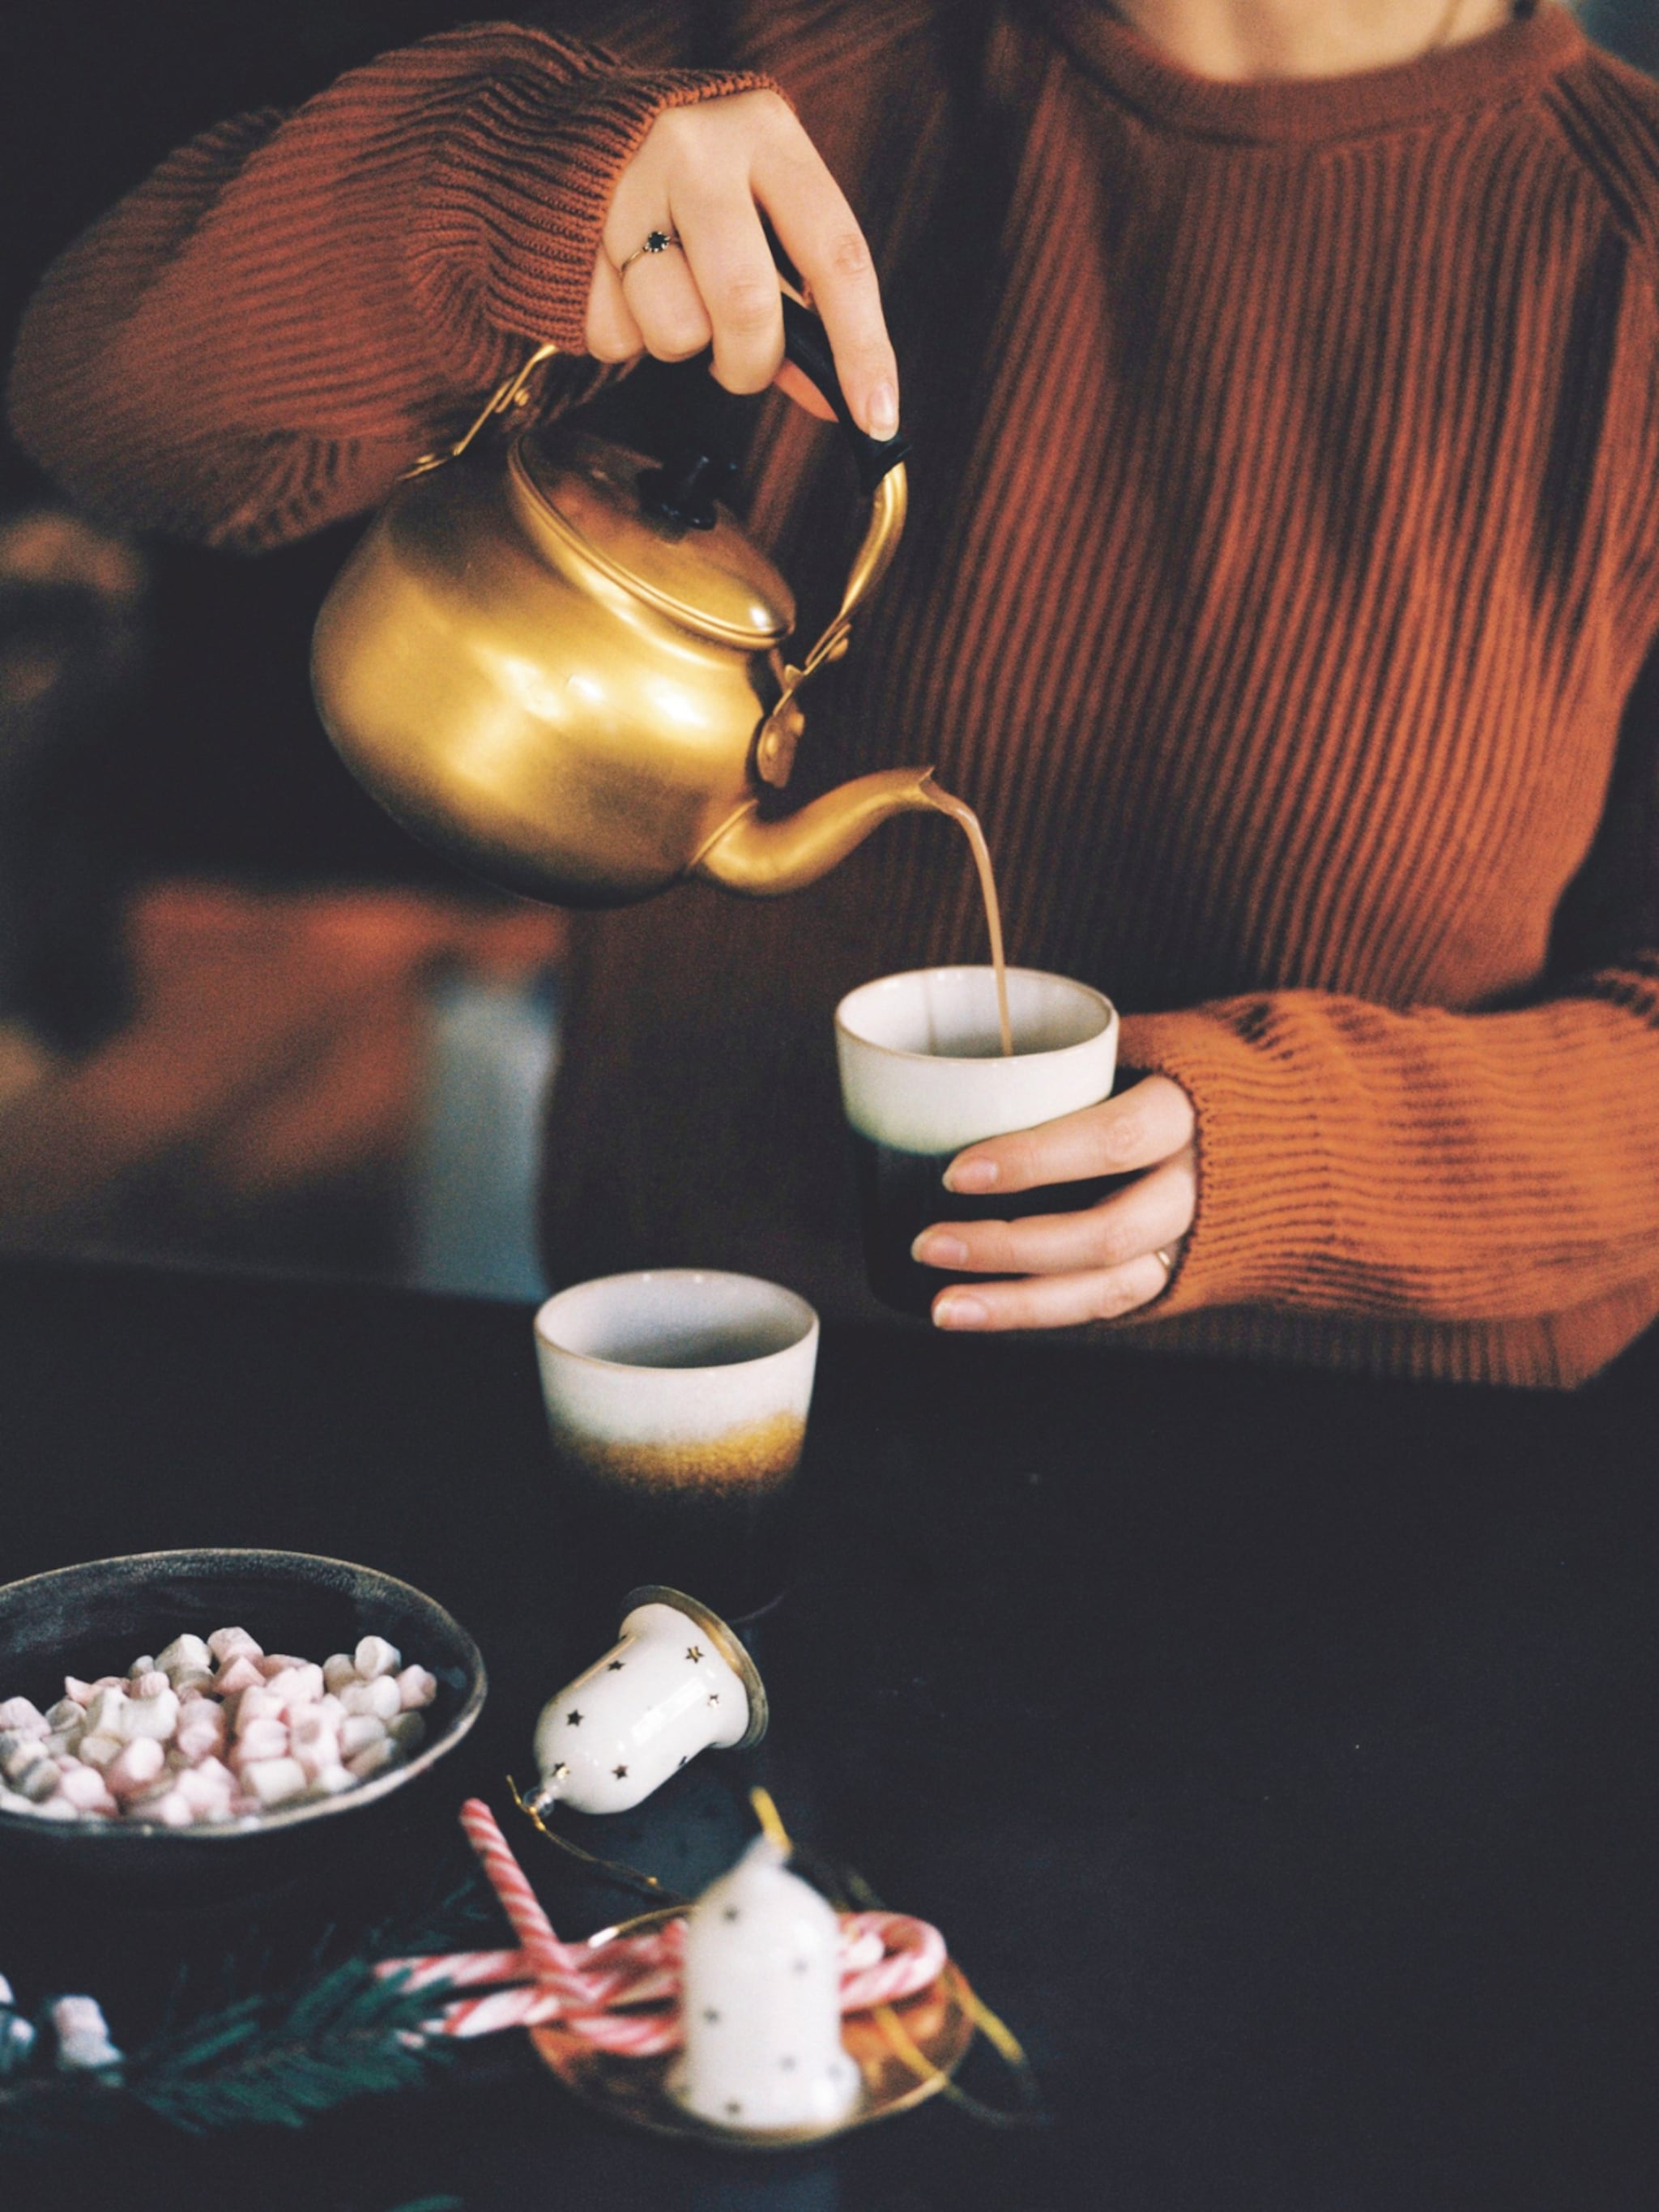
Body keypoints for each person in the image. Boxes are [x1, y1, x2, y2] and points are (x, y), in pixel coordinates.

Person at [10, 0, 1659, 1387]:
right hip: (730, 1418)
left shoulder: (1621, 250)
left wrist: (1299, 1160)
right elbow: (110, 417)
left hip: (1370, 1503)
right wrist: (495, 185)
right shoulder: (777, 96)